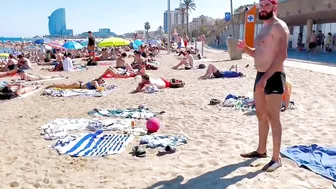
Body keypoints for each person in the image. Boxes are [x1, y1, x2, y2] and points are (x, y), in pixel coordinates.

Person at [237, 0, 289, 172]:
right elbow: (257, 53)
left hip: (273, 76)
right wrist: (245, 49)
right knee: (261, 115)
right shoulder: (263, 28)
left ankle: (276, 159)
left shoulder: (279, 27)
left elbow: (282, 55)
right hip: (260, 76)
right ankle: (261, 151)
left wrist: (265, 77)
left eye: (267, 5)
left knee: (273, 117)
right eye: (261, 5)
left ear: (274, 7)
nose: (263, 8)